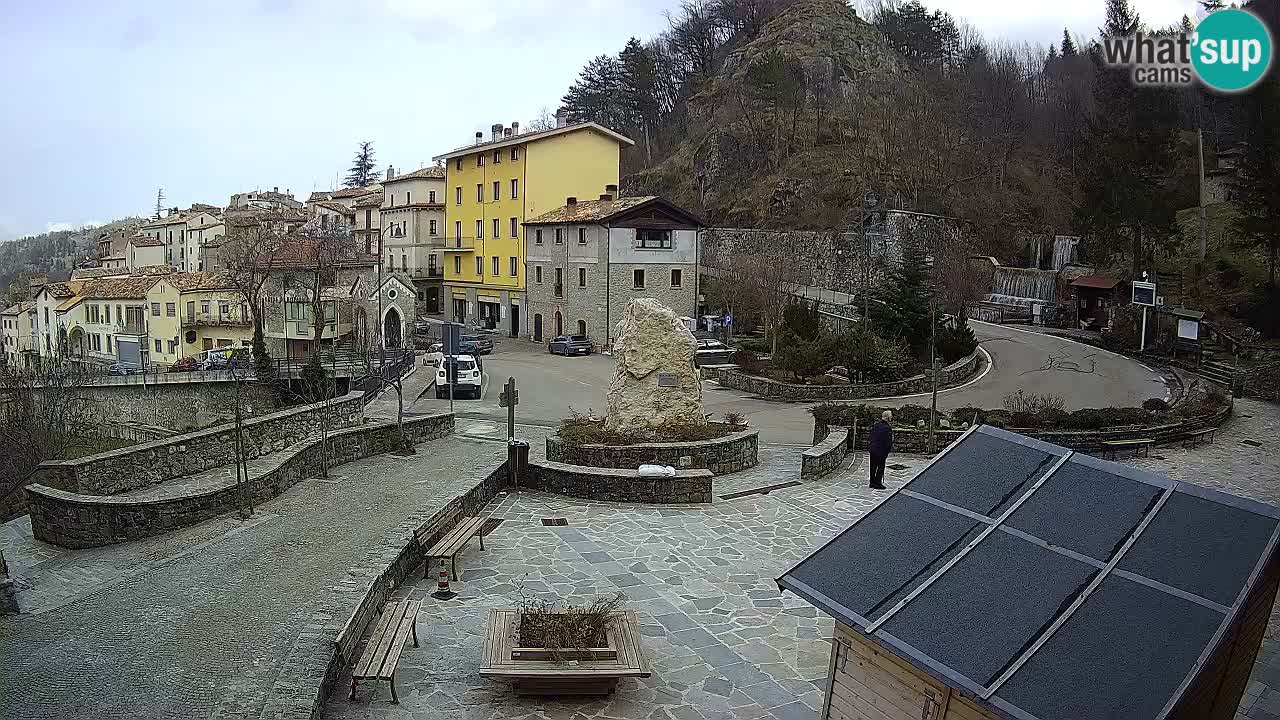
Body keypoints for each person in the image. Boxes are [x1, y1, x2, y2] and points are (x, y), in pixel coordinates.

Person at [868, 410, 893, 490]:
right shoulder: (888, 428)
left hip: (873, 449)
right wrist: (887, 451)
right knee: (880, 467)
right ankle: (878, 483)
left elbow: (871, 436)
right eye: (891, 416)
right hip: (881, 451)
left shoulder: (876, 425)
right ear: (888, 417)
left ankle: (872, 482)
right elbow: (888, 442)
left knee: (873, 466)